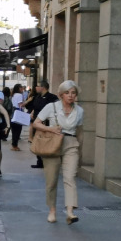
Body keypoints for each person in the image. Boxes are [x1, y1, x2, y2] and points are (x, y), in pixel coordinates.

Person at [30, 80, 84, 224]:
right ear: (61, 95)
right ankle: (52, 210)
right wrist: (50, 129)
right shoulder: (51, 107)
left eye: (73, 93)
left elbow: (80, 132)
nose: (70, 96)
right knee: (51, 180)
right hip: (53, 144)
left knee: (70, 178)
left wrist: (81, 150)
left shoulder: (79, 111)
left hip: (71, 144)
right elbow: (36, 123)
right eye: (67, 93)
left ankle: (70, 211)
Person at [24, 81, 58, 168]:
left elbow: (55, 110)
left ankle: (47, 161)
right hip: (37, 124)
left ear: (43, 87)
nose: (36, 87)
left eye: (38, 86)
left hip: (46, 125)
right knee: (38, 142)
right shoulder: (37, 97)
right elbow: (34, 107)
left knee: (46, 143)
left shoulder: (52, 97)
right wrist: (32, 112)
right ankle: (39, 161)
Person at [8, 83, 28, 150]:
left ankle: (14, 145)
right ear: (19, 88)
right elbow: (20, 105)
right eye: (21, 88)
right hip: (18, 112)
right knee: (18, 130)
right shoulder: (19, 95)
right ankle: (15, 145)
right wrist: (28, 101)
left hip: (13, 112)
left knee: (14, 130)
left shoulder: (13, 95)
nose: (22, 89)